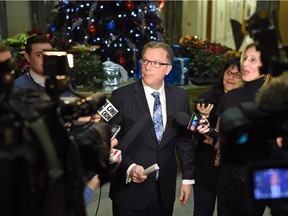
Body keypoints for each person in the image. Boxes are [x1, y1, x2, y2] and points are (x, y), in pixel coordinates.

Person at [108, 41, 195, 216]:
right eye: (145, 61)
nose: (148, 67)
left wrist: (187, 178)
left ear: (168, 68)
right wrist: (129, 167)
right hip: (129, 193)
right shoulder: (120, 97)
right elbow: (108, 141)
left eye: (156, 63)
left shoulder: (179, 97)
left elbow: (184, 140)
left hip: (164, 191)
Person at [214, 43, 271, 215]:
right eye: (245, 58)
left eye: (253, 60)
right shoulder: (228, 98)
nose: (245, 64)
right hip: (227, 175)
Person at [192, 57, 241, 216]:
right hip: (206, 164)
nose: (231, 77)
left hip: (230, 171)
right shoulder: (207, 98)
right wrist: (203, 120)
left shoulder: (246, 102)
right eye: (228, 73)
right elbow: (192, 128)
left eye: (236, 74)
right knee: (202, 211)